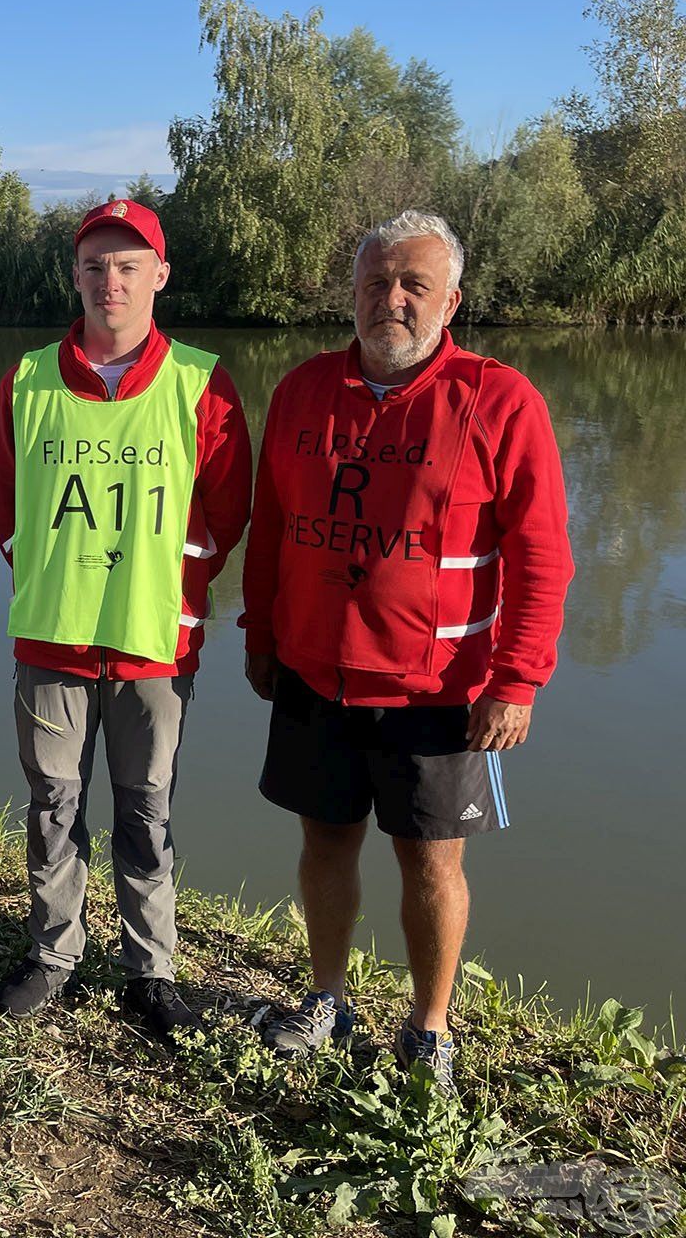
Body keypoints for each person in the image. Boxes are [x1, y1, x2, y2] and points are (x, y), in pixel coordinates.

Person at [245, 210, 573, 1091]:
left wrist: (520, 680)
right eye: (374, 283)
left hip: (440, 690)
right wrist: (261, 635)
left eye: (412, 285)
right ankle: (327, 998)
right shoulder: (304, 391)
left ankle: (429, 1025)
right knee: (324, 839)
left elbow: (544, 557)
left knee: (431, 859)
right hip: (316, 672)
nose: (391, 300)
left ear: (450, 299)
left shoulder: (500, 401)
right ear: (350, 293)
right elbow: (270, 528)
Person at [0, 198, 251, 1034]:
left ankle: (150, 970)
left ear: (159, 276)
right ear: (75, 275)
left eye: (129, 266)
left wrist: (163, 588)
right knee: (54, 804)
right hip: (53, 640)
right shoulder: (26, 379)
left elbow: (227, 511)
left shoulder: (201, 381)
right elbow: (2, 506)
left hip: (153, 645)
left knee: (145, 810)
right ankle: (55, 952)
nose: (111, 281)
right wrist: (64, 578)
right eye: (96, 265)